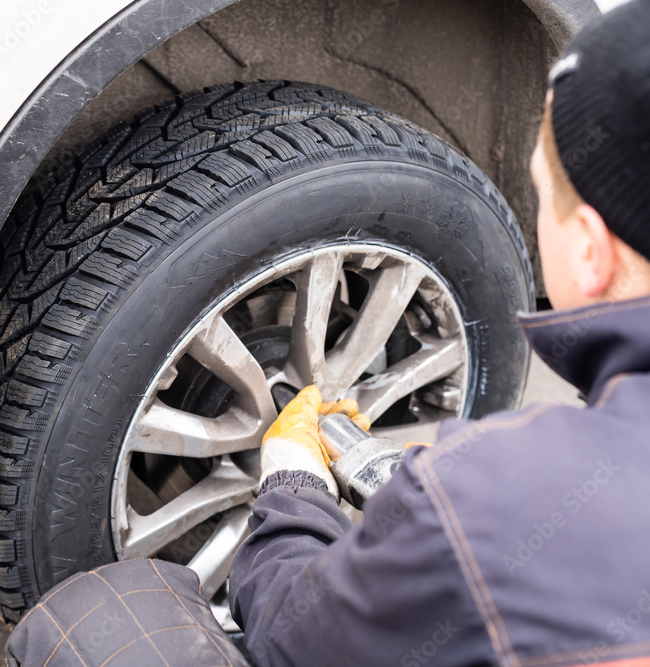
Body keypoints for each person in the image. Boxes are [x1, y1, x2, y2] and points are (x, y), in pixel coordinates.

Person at [229, 1, 650, 665]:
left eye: (541, 194)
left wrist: (292, 488)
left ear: (592, 251)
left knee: (96, 620)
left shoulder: (499, 496)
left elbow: (294, 640)